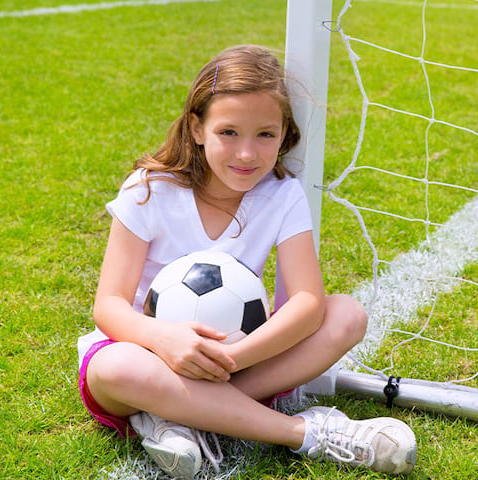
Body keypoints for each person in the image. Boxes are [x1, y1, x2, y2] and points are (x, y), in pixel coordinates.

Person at [77, 44, 417, 479]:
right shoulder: (149, 190)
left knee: (346, 315)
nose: (246, 154)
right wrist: (165, 341)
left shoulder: (281, 195)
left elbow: (308, 303)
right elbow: (109, 305)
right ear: (198, 128)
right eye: (229, 133)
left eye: (265, 135)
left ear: (283, 134)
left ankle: (178, 415)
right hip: (144, 354)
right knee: (117, 368)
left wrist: (231, 358)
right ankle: (307, 434)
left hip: (240, 360)